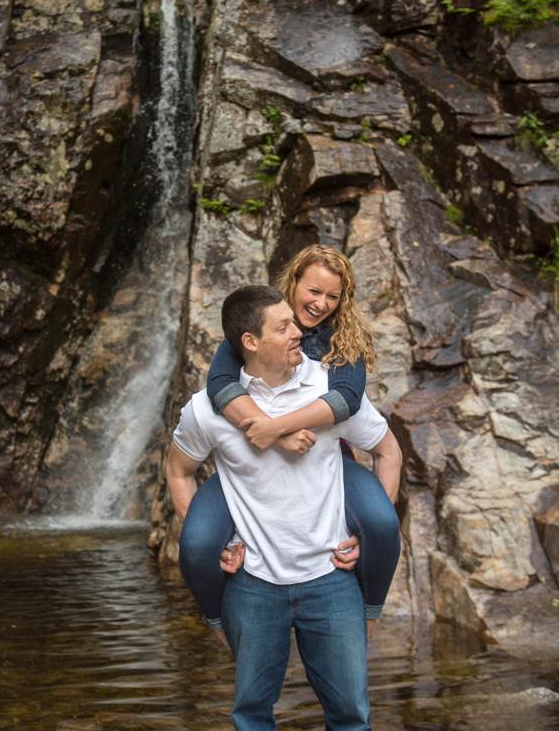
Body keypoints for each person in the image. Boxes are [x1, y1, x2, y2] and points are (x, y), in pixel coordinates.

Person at [165, 285, 396, 730]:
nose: (301, 333)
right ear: (250, 343)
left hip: (332, 580)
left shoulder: (330, 390)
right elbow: (178, 470)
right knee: (252, 716)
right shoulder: (207, 409)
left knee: (351, 716)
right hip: (253, 586)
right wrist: (217, 540)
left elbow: (388, 450)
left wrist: (365, 533)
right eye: (284, 326)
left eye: (294, 321)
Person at [179, 245, 402, 643]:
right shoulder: (256, 323)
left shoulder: (343, 340)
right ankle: (216, 620)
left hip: (325, 456)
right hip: (251, 458)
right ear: (293, 281)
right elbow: (220, 387)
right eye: (313, 291)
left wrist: (277, 428)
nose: (321, 304)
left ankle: (368, 610)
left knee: (383, 523)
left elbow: (347, 402)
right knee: (195, 545)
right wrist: (275, 434)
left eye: (332, 297)